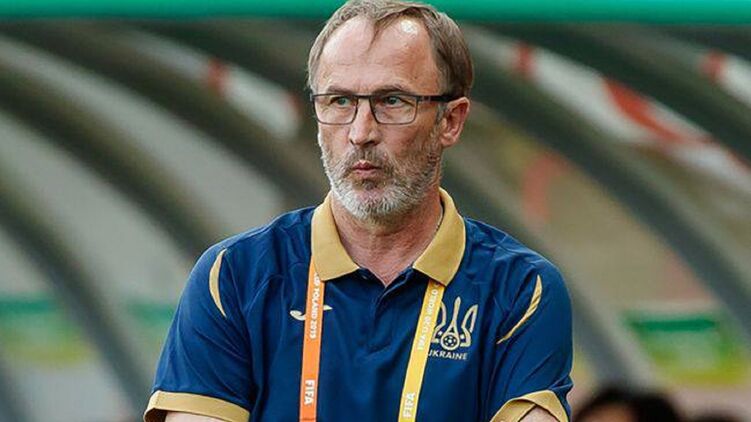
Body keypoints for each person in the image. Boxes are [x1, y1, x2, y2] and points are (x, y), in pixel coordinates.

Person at [143, 0, 573, 421]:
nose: (361, 132)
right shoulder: (234, 277)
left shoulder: (520, 288)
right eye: (339, 101)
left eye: (393, 101)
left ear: (451, 121)